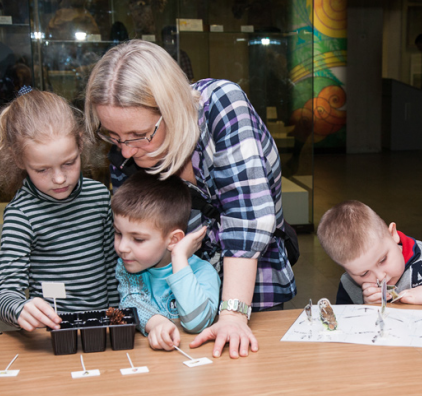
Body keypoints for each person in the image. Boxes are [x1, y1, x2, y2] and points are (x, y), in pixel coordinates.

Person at [84, 40, 296, 359]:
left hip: (251, 286)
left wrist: (232, 315)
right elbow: (135, 238)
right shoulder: (125, 148)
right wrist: (151, 315)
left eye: (140, 136)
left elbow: (246, 219)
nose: (126, 151)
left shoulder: (221, 106)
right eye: (114, 137)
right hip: (173, 300)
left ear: (172, 108)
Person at [0, 89, 118, 331]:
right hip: (54, 334)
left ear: (80, 143)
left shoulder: (100, 197)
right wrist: (20, 309)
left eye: (69, 163)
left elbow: (113, 270)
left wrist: (117, 319)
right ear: (19, 159)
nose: (59, 179)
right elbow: (4, 295)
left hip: (102, 328)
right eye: (42, 170)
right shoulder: (21, 215)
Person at [111, 171, 220, 351]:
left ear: (173, 240)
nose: (122, 247)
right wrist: (156, 323)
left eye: (138, 239)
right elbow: (131, 301)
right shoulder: (127, 266)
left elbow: (196, 323)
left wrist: (179, 257)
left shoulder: (203, 272)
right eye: (118, 233)